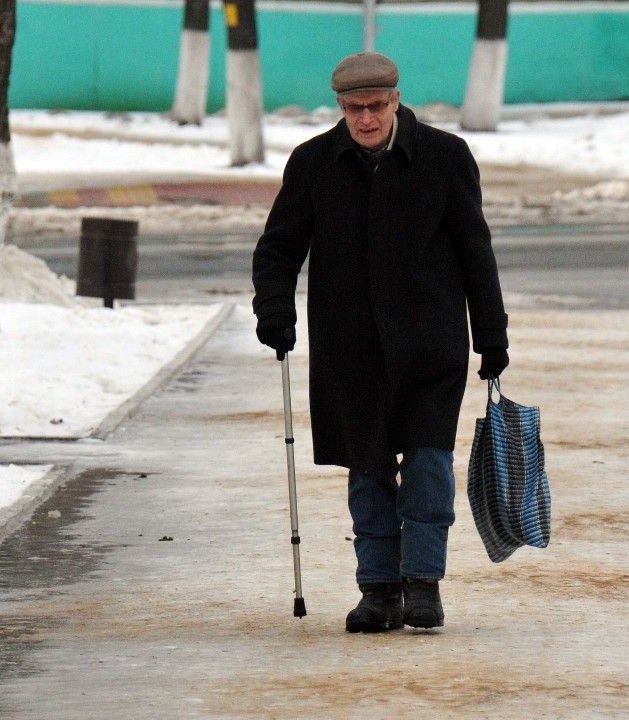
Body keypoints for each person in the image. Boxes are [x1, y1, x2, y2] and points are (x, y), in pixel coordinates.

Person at [252, 52, 509, 633]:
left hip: (430, 342)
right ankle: (378, 589)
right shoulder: (314, 163)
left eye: (374, 106)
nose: (365, 119)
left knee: (426, 462)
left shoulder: (444, 158)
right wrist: (273, 309)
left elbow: (476, 254)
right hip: (351, 348)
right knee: (367, 467)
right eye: (352, 109)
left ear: (396, 100)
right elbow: (278, 248)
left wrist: (492, 336)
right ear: (340, 108)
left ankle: (423, 584)